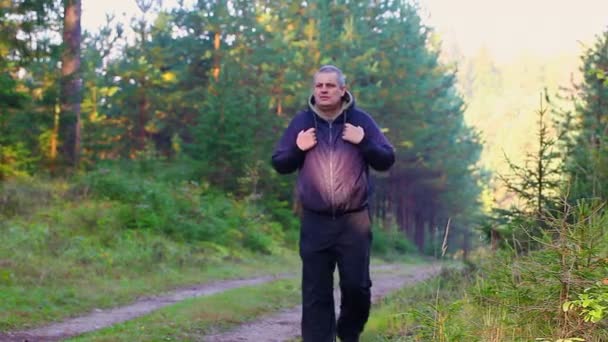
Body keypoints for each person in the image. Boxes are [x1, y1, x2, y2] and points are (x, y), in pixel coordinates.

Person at [271, 65, 395, 342]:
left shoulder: (361, 121)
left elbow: (386, 159)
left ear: (343, 90)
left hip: (354, 222)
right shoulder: (301, 123)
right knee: (316, 292)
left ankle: (348, 333)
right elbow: (279, 163)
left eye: (330, 85)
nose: (324, 90)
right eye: (319, 86)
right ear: (314, 90)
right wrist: (296, 148)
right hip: (315, 221)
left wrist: (363, 142)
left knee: (357, 287)